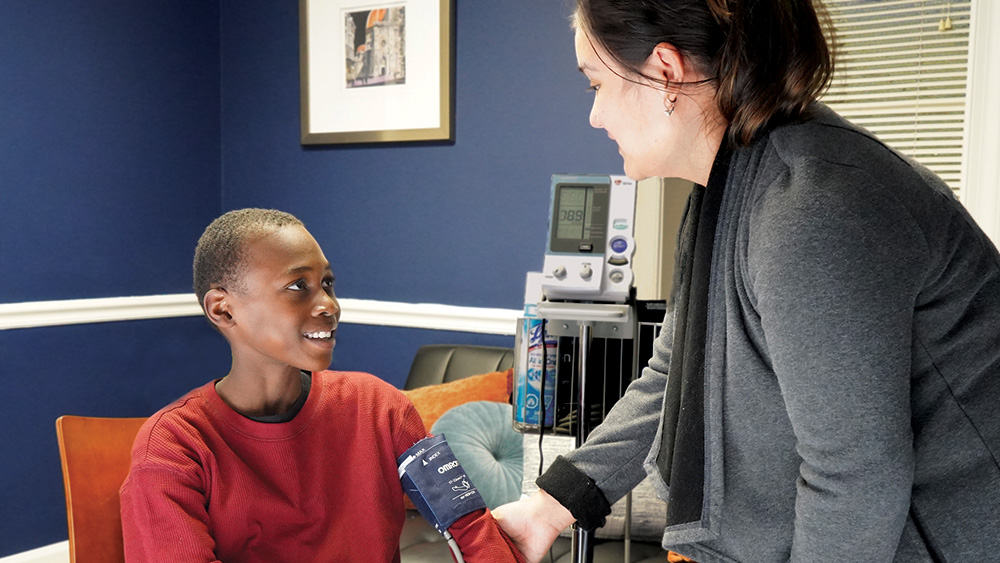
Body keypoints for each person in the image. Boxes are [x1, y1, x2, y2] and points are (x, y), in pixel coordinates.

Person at [492, 1, 1000, 562]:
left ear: (665, 71)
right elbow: (672, 373)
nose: (595, 116)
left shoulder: (813, 206)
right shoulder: (730, 186)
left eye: (595, 85)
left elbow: (854, 478)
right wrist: (550, 507)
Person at [120, 208, 525, 562]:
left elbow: (470, 525)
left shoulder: (380, 408)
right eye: (298, 286)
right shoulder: (174, 446)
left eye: (327, 283)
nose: (329, 305)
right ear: (223, 309)